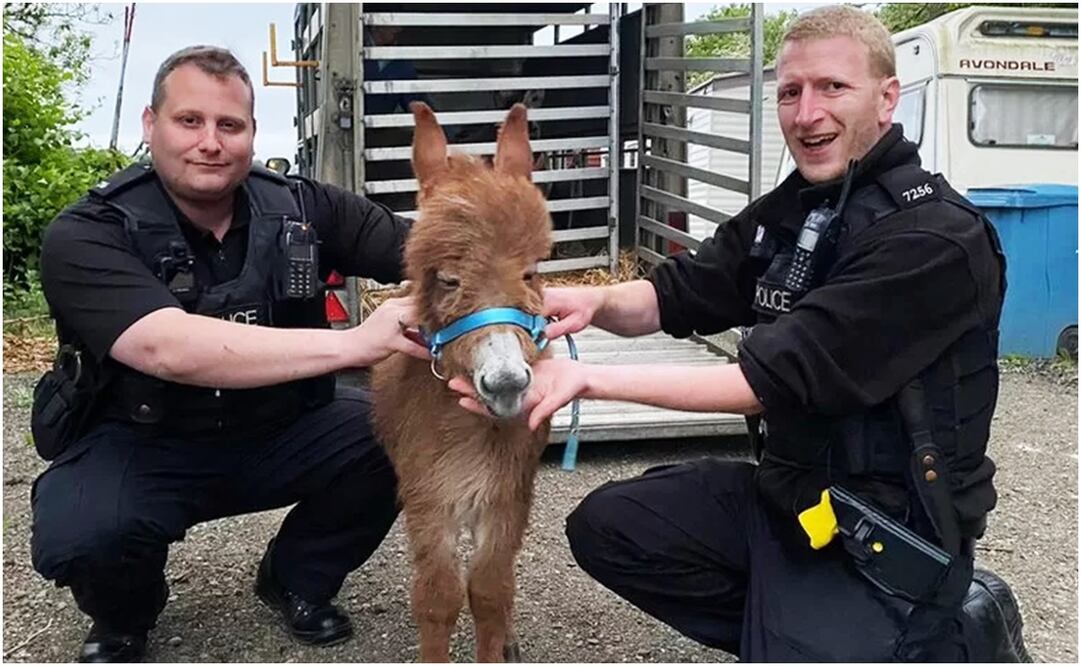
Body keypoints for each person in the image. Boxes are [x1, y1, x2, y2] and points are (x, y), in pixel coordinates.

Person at [451, 6, 1029, 662]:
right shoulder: (796, 209)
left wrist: (584, 375)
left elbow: (763, 383)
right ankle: (790, 626)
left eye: (832, 87)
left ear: (886, 97)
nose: (806, 112)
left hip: (882, 532)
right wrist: (570, 301)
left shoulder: (932, 239)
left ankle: (923, 633)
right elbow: (677, 293)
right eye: (789, 91)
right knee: (611, 526)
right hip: (791, 499)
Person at [30, 45, 429, 663]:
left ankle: (296, 577)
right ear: (150, 124)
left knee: (402, 433)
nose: (210, 142)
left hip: (277, 428)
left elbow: (430, 251)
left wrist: (531, 287)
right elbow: (167, 347)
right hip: (142, 439)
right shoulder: (87, 232)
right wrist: (354, 342)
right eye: (189, 121)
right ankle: (126, 613)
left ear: (251, 133)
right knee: (84, 533)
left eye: (229, 125)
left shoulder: (303, 206)